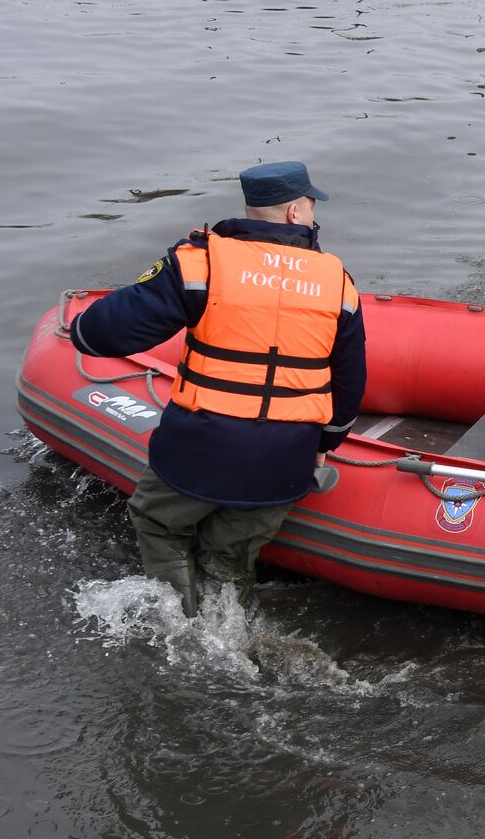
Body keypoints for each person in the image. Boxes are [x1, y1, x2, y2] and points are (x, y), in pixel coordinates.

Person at [70, 161, 367, 616]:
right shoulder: (337, 281)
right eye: (310, 205)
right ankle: (227, 628)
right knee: (231, 555)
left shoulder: (199, 262)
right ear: (293, 213)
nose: (312, 215)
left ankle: (178, 620)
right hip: (283, 457)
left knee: (158, 522)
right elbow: (349, 380)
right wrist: (326, 443)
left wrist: (89, 324)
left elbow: (100, 335)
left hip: (200, 447)